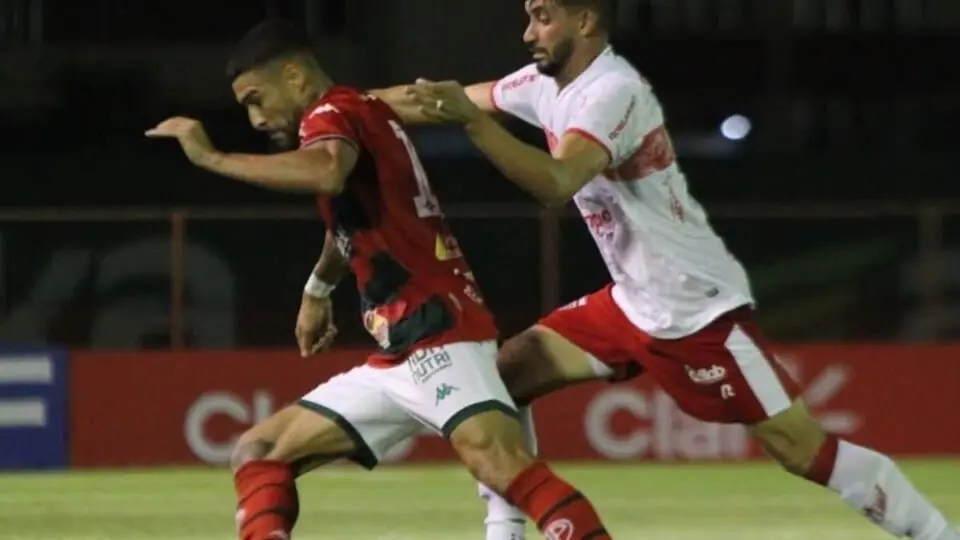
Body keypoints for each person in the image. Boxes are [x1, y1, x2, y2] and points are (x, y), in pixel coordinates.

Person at [372, 1, 960, 539]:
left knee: (805, 451)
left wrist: (474, 124)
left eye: (543, 17)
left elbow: (557, 181)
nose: (528, 33)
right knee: (504, 378)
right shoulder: (541, 85)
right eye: (528, 16)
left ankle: (938, 534)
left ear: (586, 20)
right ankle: (504, 532)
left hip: (695, 310)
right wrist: (342, 108)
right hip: (630, 301)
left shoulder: (614, 92)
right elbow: (438, 99)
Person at [146, 18, 613, 540]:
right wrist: (317, 289)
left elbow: (326, 171)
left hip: (438, 331)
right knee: (260, 451)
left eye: (257, 99)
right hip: (402, 350)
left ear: (295, 76)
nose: (255, 118)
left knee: (500, 464)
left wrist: (211, 158)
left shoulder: (331, 113)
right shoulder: (362, 111)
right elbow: (349, 222)